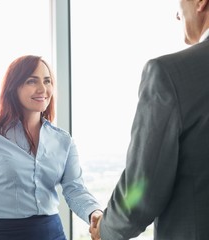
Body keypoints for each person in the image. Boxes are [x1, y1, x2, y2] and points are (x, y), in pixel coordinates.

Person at [89, 0, 209, 239]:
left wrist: (107, 227)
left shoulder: (169, 73)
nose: (178, 17)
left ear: (199, 2)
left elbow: (143, 187)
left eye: (179, 7)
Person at [0, 55, 102, 240]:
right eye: (31, 81)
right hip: (6, 234)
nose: (42, 89)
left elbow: (74, 188)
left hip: (53, 233)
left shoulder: (63, 140)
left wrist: (94, 212)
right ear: (14, 87)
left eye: (47, 81)